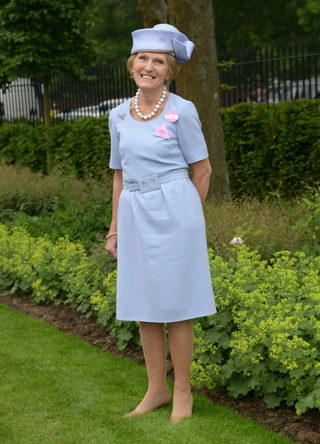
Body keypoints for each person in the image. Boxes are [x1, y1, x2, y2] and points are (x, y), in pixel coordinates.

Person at [106, 23, 216, 423]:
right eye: (142, 58)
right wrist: (115, 227)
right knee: (144, 305)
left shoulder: (181, 110)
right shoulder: (118, 115)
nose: (148, 66)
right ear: (131, 64)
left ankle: (183, 391)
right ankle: (157, 389)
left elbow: (202, 171)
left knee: (177, 306)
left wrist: (188, 218)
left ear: (169, 71)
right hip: (135, 213)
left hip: (176, 212)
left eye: (158, 61)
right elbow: (119, 175)